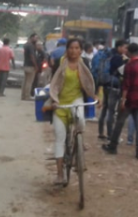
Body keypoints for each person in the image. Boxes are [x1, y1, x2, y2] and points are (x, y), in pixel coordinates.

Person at [48, 38, 96, 185]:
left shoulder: (85, 64)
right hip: (60, 102)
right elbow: (54, 83)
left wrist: (96, 95)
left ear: (81, 50)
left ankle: (78, 148)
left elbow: (90, 81)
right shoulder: (60, 63)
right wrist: (54, 100)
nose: (74, 51)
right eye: (71, 48)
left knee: (80, 120)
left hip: (76, 99)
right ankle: (60, 174)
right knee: (59, 140)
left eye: (77, 48)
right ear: (67, 49)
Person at [102, 43, 138, 159]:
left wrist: (123, 100)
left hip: (129, 99)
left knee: (119, 123)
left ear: (129, 53)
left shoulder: (129, 66)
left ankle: (113, 147)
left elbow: (126, 85)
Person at [98, 39, 128, 140]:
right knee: (111, 111)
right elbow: (123, 72)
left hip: (106, 84)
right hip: (114, 87)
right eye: (125, 47)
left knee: (105, 109)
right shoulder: (117, 58)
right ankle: (110, 134)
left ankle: (101, 132)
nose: (126, 49)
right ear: (119, 47)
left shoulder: (108, 55)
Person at [21, 34, 39, 101]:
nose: (37, 39)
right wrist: (36, 66)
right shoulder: (31, 46)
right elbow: (32, 56)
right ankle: (27, 96)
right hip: (31, 66)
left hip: (26, 65)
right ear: (31, 38)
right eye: (36, 38)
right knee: (29, 82)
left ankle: (23, 96)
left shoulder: (26, 45)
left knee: (25, 81)